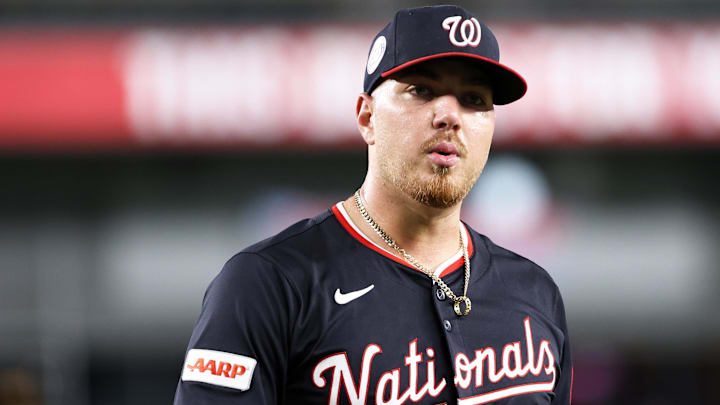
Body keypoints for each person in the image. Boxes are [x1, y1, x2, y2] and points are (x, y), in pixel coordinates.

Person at [174, 5, 572, 405]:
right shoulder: (269, 283)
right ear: (367, 117)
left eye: (473, 99)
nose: (450, 115)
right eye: (422, 90)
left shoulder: (535, 293)